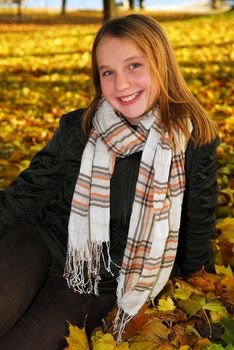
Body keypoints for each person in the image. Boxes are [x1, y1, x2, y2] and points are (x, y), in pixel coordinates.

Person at [0, 14, 219, 350]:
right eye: (108, 72)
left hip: (96, 283)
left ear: (162, 64)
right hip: (39, 242)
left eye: (134, 66)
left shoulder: (193, 142)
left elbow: (197, 224)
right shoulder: (80, 128)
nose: (122, 85)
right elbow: (25, 193)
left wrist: (199, 290)